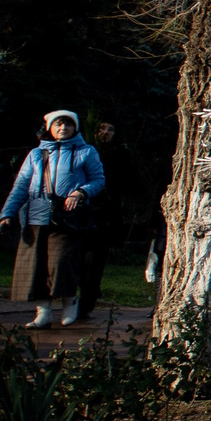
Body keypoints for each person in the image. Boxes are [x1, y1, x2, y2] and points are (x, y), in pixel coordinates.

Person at [0, 110, 105, 327]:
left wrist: (81, 192)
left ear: (75, 128)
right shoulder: (36, 154)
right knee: (35, 265)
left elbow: (98, 180)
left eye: (68, 124)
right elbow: (21, 185)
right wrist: (7, 213)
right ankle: (43, 312)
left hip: (67, 217)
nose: (63, 128)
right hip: (36, 216)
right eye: (58, 125)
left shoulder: (86, 151)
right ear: (49, 128)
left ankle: (69, 303)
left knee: (61, 262)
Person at [77, 117, 137, 323]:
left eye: (111, 129)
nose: (107, 133)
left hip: (103, 216)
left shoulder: (120, 154)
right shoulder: (81, 152)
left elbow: (128, 183)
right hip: (78, 212)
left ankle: (86, 302)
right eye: (103, 128)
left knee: (93, 262)